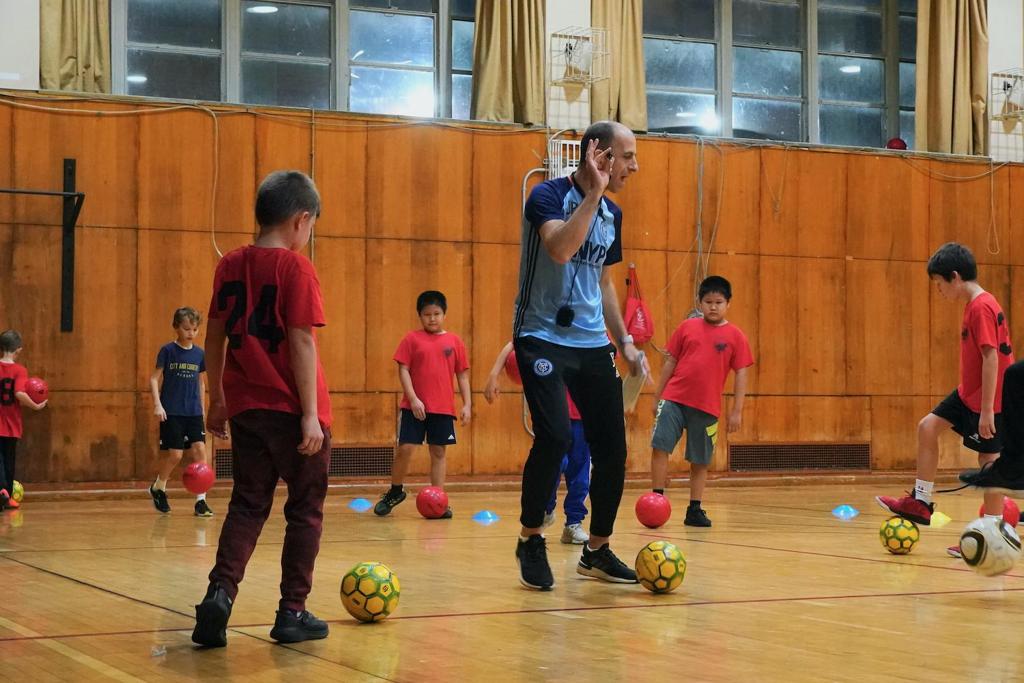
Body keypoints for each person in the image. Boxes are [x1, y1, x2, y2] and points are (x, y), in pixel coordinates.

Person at [192, 170, 333, 648]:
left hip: (246, 409)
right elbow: (301, 340)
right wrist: (310, 414)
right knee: (305, 511)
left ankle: (219, 594)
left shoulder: (229, 264)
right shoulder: (296, 268)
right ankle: (292, 611)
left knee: (247, 505)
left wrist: (217, 399)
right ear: (301, 220)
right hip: (293, 409)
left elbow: (214, 336)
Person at [512, 120, 645, 591]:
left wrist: (624, 341)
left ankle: (597, 550)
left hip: (591, 342)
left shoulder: (613, 215)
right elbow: (560, 249)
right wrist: (593, 195)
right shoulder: (546, 196)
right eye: (626, 156)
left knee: (612, 448)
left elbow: (604, 281)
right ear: (598, 154)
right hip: (540, 335)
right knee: (554, 437)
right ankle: (531, 538)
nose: (634, 166)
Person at [877, 243, 1014, 553]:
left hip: (991, 400)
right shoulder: (975, 304)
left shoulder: (981, 307)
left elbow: (991, 358)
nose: (938, 291)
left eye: (939, 284)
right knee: (928, 427)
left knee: (989, 462)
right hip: (968, 394)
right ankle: (921, 501)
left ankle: (992, 535)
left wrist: (987, 411)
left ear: (955, 276)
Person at [649, 276, 752, 527]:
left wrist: (737, 410)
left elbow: (741, 373)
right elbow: (670, 362)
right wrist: (658, 396)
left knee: (700, 459)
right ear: (700, 302)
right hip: (674, 399)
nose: (713, 307)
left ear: (728, 304)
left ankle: (694, 509)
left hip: (707, 406)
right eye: (708, 302)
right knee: (660, 446)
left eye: (719, 302)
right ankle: (656, 499)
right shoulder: (686, 328)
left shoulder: (736, 336)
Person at [374, 290, 471, 518]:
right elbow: (403, 370)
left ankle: (439, 501)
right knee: (405, 449)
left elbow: (462, 375)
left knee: (438, 452)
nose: (432, 318)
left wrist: (467, 404)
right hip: (413, 408)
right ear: (420, 316)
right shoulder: (411, 339)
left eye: (436, 314)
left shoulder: (454, 341)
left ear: (444, 314)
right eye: (427, 314)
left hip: (443, 408)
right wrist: (413, 398)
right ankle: (395, 491)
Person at [484, 342, 591, 545]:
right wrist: (493, 375)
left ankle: (574, 523)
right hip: (553, 413)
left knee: (580, 473)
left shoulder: (594, 333)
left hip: (583, 416)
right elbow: (513, 343)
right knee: (552, 466)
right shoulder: (549, 331)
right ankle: (546, 510)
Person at [148, 307, 213, 517]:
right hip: (172, 411)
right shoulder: (167, 351)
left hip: (193, 412)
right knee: (175, 455)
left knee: (200, 451)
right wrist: (158, 404)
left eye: (194, 329)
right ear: (176, 327)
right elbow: (154, 379)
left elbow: (200, 382)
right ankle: (158, 487)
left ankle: (201, 501)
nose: (191, 333)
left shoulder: (199, 354)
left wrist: (202, 408)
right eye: (186, 329)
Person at [0, 330, 47, 510]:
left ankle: (2, 493)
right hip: (11, 424)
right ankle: (6, 494)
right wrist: (36, 406)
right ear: (18, 350)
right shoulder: (19, 370)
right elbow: (19, 393)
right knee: (9, 460)